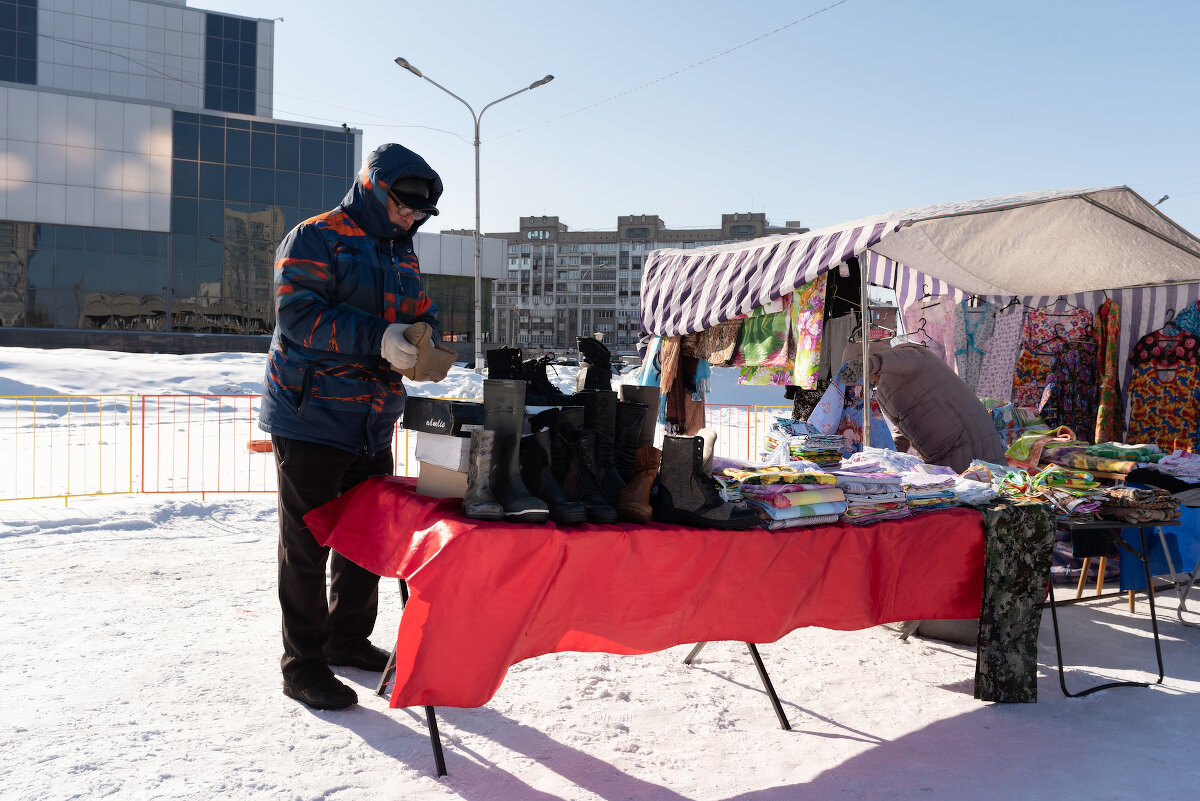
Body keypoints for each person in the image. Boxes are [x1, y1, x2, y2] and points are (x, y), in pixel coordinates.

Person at [258, 143, 443, 710]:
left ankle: (348, 639)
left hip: (371, 418)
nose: (411, 218)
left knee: (366, 539)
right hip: (310, 414)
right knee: (309, 543)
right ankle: (304, 665)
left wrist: (424, 339)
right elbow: (298, 317)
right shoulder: (317, 236)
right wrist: (380, 338)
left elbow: (419, 310)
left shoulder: (401, 254)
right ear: (373, 188)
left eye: (421, 214)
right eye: (404, 207)